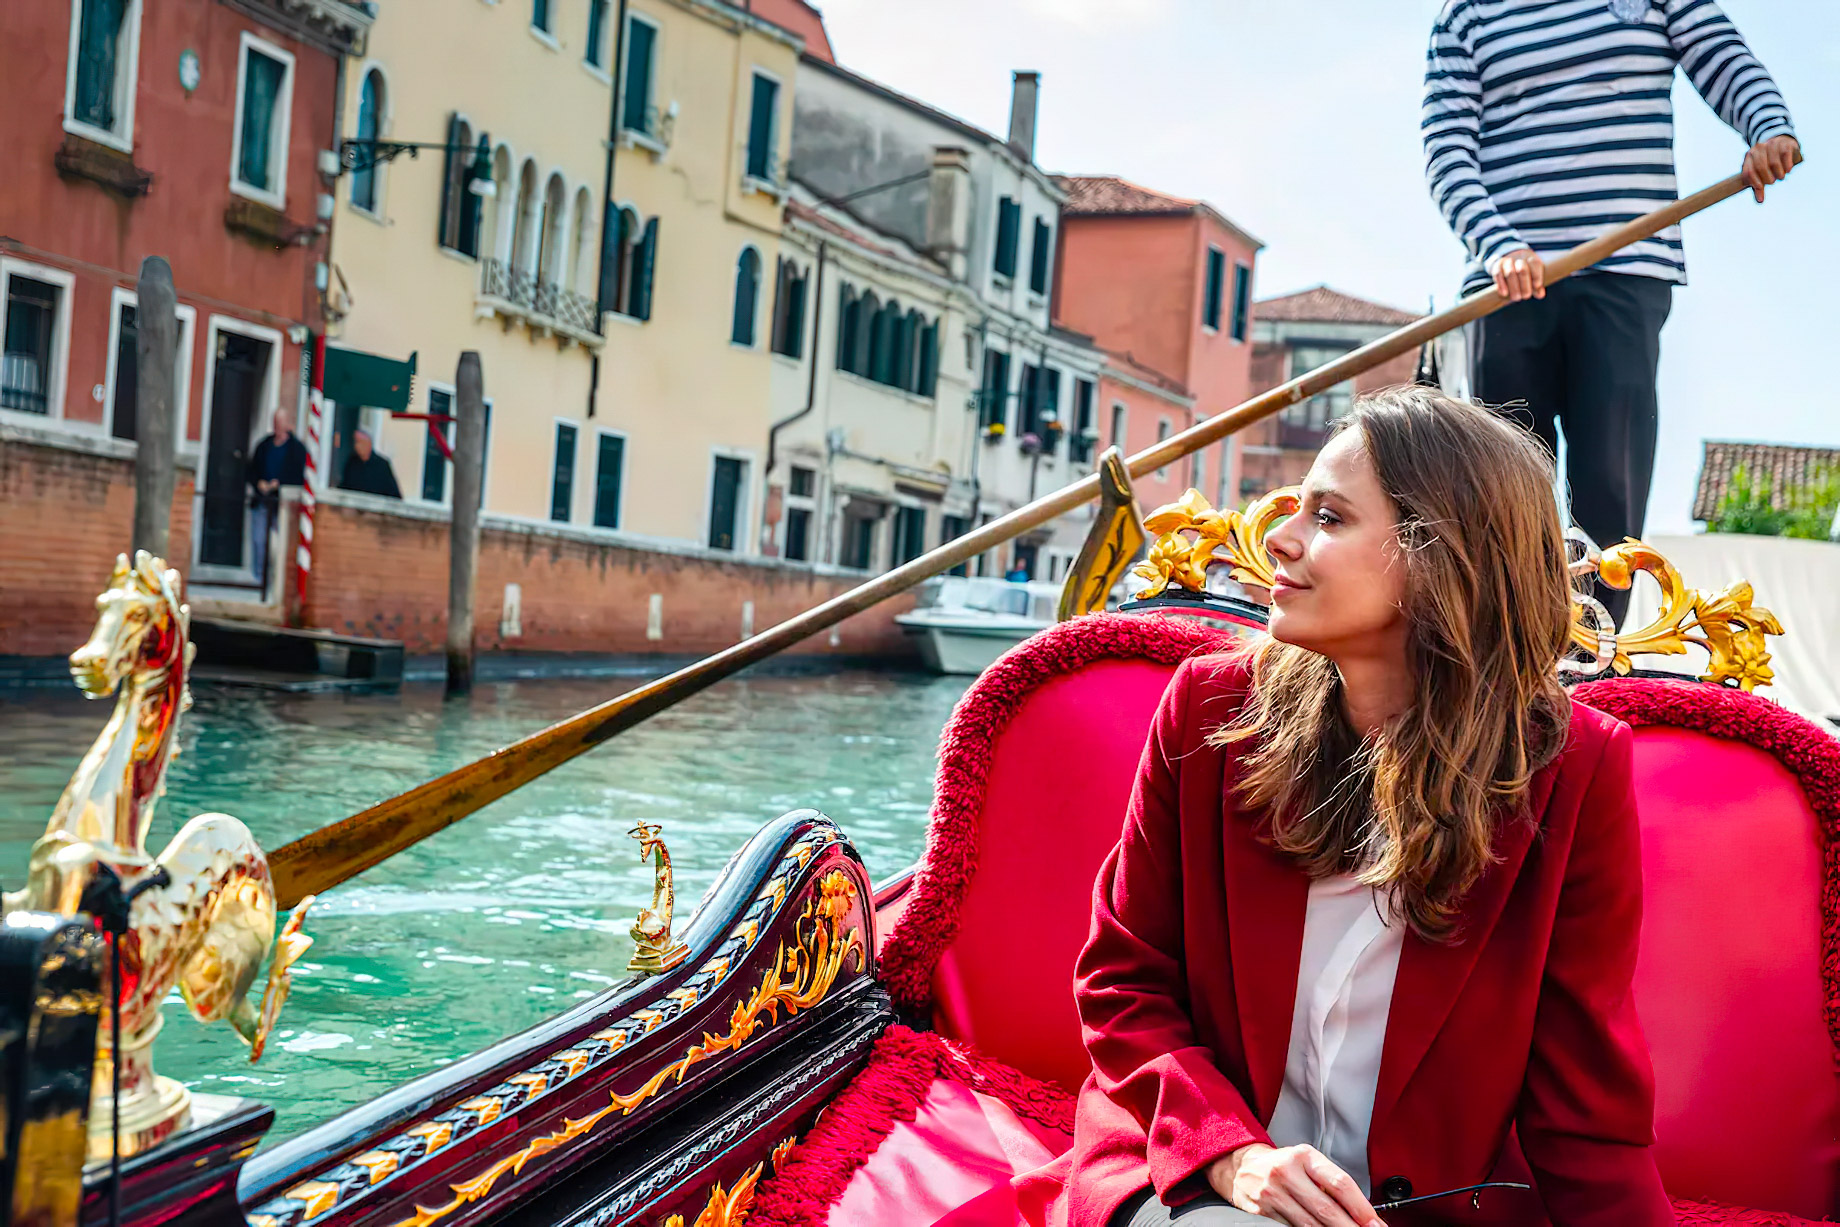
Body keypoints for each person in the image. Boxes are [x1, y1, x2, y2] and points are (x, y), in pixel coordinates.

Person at [1034, 388, 1669, 1226]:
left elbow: (1584, 1110)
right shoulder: (1207, 711)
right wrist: (1232, 1153)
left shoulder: (1574, 769)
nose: (1278, 536)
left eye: (1328, 517)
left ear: (1442, 557)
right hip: (1187, 1173)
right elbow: (1123, 982)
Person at [1423, 0, 1797, 624]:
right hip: (1506, 285)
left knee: (1610, 480)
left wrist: (1768, 127)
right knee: (1498, 481)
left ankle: (1595, 645)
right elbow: (1446, 149)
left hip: (1627, 270)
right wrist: (1498, 245)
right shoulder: (1468, 14)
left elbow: (1725, 59)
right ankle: (1506, 638)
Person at [246, 406, 307, 586]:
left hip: (283, 504)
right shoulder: (264, 446)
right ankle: (259, 579)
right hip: (262, 500)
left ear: (287, 424)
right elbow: (251, 470)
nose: (278, 427)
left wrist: (279, 484)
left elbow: (299, 476)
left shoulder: (297, 450)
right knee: (259, 541)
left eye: (281, 423)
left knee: (281, 543)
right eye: (275, 423)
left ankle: (278, 581)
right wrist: (259, 483)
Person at [339, 429, 402, 499]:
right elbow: (344, 486)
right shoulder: (352, 462)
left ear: (369, 444)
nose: (357, 446)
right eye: (355, 442)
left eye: (360, 442)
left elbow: (394, 494)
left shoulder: (382, 464)